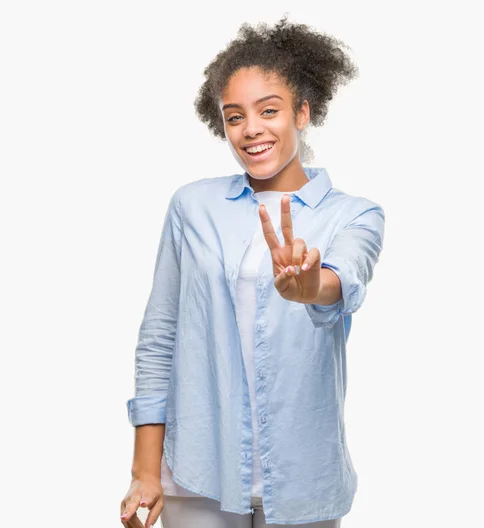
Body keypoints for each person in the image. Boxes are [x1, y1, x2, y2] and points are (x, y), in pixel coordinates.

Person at [120, 14, 385, 528]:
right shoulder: (192, 205)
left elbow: (342, 281)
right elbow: (159, 336)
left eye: (270, 110)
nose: (251, 129)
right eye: (235, 116)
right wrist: (144, 471)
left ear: (303, 112)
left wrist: (312, 286)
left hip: (304, 480)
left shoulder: (355, 214)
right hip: (199, 473)